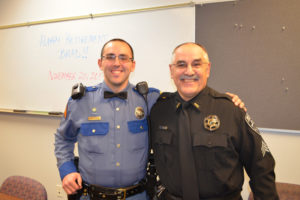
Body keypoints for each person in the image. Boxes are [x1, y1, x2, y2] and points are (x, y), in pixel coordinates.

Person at [54, 38, 246, 200]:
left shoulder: (150, 99)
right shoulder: (79, 102)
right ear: (100, 63)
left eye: (124, 58)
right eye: (110, 57)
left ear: (133, 65)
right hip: (92, 195)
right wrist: (67, 170)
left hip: (137, 196)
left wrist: (226, 102)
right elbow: (63, 138)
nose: (117, 63)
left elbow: (187, 95)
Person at [150, 42, 279, 200]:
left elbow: (261, 166)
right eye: (181, 64)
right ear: (171, 70)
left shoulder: (231, 110)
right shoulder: (158, 111)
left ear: (208, 69)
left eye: (196, 64)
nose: (189, 71)